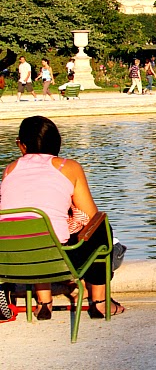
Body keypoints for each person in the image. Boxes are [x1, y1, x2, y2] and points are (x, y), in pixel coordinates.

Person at [0, 116, 125, 319]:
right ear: (57, 142)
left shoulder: (10, 169)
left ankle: (44, 303)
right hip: (56, 258)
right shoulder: (69, 167)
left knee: (35, 232)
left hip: (14, 259)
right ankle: (100, 303)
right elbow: (92, 218)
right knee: (100, 226)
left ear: (21, 145)